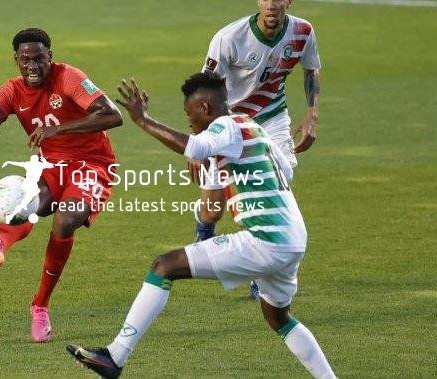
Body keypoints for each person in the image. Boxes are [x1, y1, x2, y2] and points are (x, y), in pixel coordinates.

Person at [66, 72, 335, 379]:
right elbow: (241, 193)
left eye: (189, 115)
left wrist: (142, 119)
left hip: (266, 239)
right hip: (294, 238)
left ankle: (115, 356)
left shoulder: (225, 125)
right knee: (279, 318)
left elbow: (193, 147)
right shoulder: (252, 128)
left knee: (164, 266)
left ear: (205, 109)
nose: (189, 122)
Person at [0, 28, 122, 342]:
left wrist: (58, 130)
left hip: (92, 165)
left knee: (66, 219)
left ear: (50, 56)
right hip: (52, 167)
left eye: (39, 59)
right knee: (26, 204)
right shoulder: (12, 91)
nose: (33, 66)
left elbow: (112, 116)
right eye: (25, 60)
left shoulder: (70, 77)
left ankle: (40, 306)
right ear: (16, 60)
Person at [194, 0, 322, 300]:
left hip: (272, 121)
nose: (272, 4)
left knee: (272, 190)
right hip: (228, 122)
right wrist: (199, 141)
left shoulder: (302, 32)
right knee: (213, 210)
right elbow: (205, 90)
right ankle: (203, 228)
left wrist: (311, 115)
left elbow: (311, 69)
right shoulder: (229, 38)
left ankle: (261, 272)